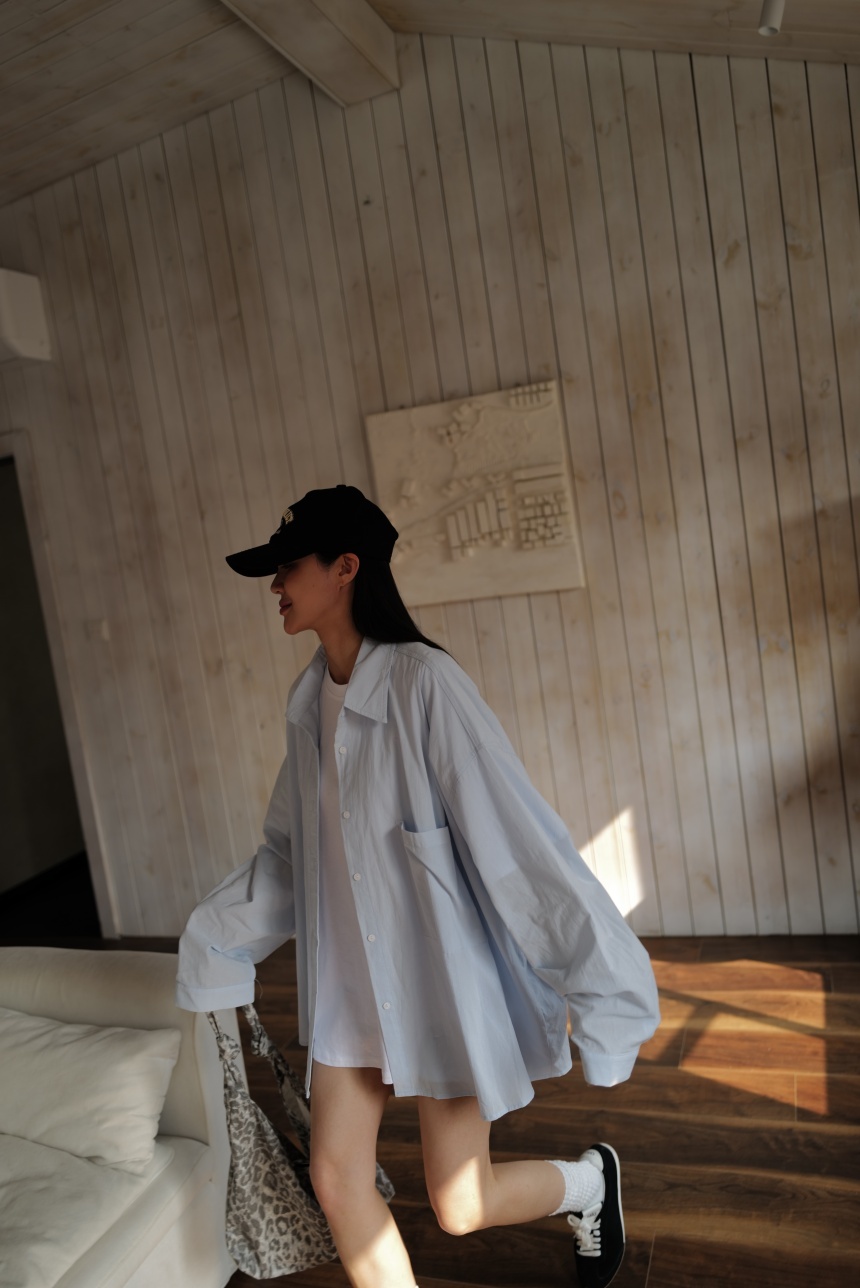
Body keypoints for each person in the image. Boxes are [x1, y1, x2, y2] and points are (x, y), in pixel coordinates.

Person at [175, 483, 660, 1288]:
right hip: (346, 988)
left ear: (346, 568)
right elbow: (291, 857)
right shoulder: (308, 702)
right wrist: (215, 939)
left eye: (289, 566)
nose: (275, 585)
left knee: (461, 1205)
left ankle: (590, 1185)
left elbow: (521, 849)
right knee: (336, 1180)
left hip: (436, 982)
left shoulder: (425, 684)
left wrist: (608, 995)